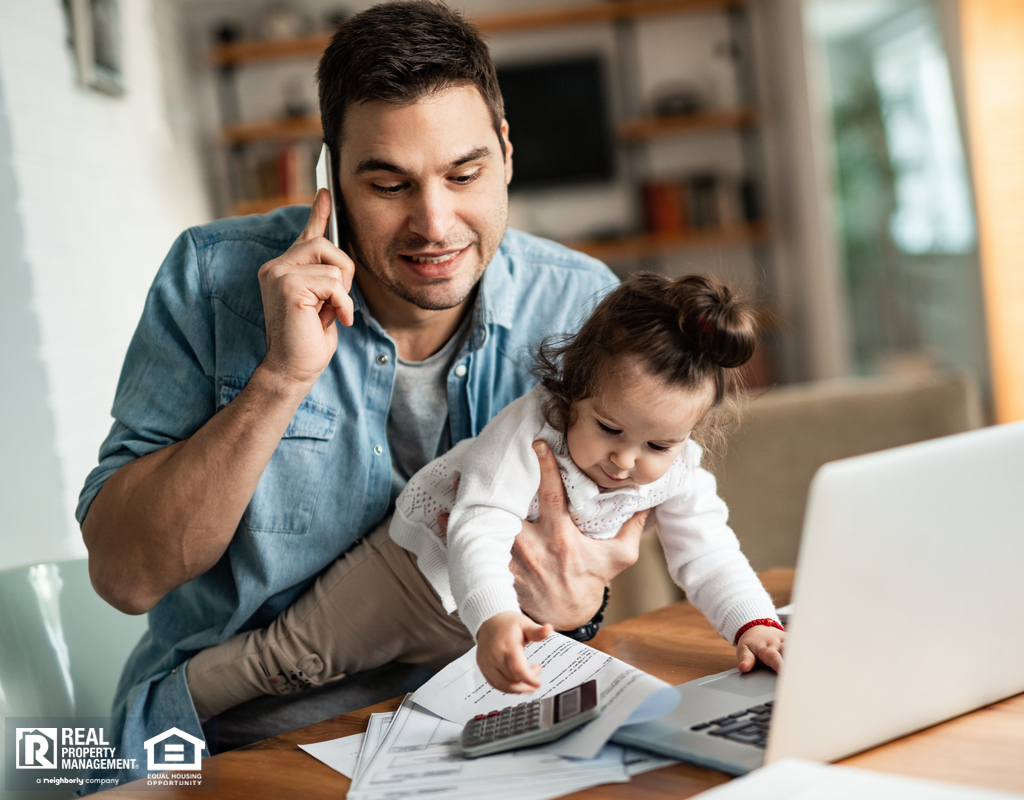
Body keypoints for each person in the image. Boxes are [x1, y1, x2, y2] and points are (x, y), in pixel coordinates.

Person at [76, 1, 643, 787]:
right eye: (388, 184)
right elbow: (124, 576)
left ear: (507, 153)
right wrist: (281, 377)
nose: (434, 224)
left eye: (464, 174)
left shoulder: (582, 306)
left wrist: (582, 602)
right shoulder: (211, 284)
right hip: (247, 736)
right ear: (330, 179)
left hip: (491, 716)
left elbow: (598, 551)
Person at [185, 273, 785, 718]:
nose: (626, 462)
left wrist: (752, 625)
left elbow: (709, 554)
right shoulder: (531, 429)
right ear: (574, 389)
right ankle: (166, 709)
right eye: (609, 429)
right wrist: (496, 618)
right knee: (289, 663)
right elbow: (479, 527)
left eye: (659, 444)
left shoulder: (678, 472)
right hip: (412, 576)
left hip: (493, 622)